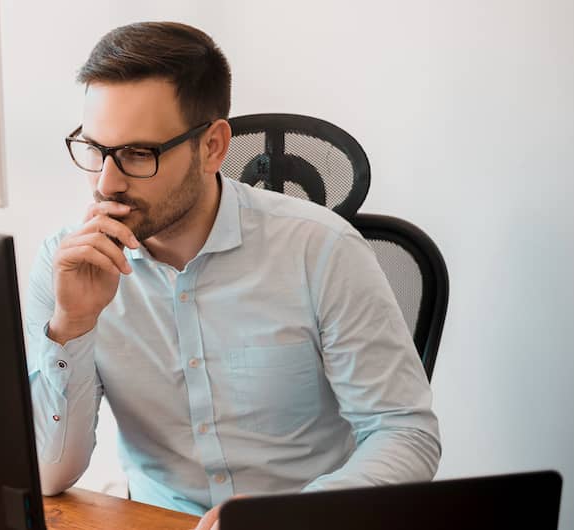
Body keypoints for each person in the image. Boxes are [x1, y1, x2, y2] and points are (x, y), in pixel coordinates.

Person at [23, 21, 440, 529]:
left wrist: (288, 516)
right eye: (95, 150)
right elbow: (47, 475)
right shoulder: (67, 263)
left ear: (213, 147)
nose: (107, 183)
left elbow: (404, 433)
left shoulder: (321, 250)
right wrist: (72, 325)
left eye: (138, 154)